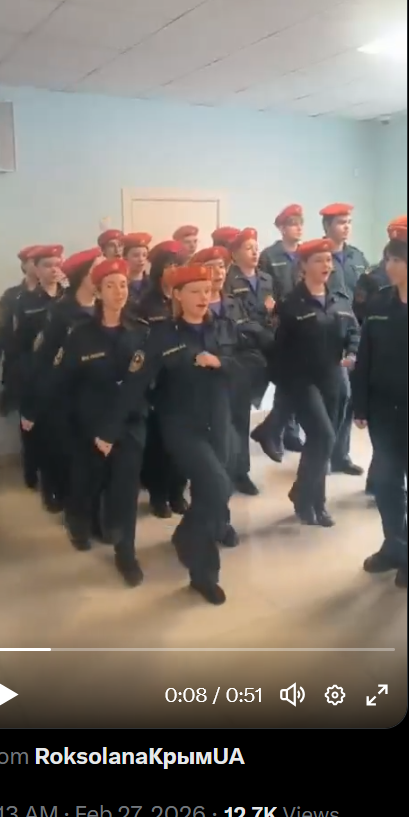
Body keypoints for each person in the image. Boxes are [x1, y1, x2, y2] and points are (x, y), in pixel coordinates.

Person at [106, 263, 240, 605]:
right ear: (177, 295)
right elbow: (134, 384)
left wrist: (221, 363)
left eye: (206, 290)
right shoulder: (161, 335)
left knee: (213, 493)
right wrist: (109, 428)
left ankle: (188, 543)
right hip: (180, 425)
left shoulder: (224, 326)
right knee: (218, 486)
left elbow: (251, 364)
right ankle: (204, 570)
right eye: (194, 291)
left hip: (219, 421)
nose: (203, 297)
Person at [50, 258, 150, 586]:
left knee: (125, 490)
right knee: (86, 481)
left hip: (129, 424)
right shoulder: (80, 335)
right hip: (89, 427)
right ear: (98, 291)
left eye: (123, 285)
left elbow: (143, 383)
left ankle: (126, 552)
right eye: (110, 285)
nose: (119, 291)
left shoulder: (141, 332)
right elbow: (64, 383)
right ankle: (77, 522)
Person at [272, 239, 360, 526]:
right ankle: (308, 498)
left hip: (332, 378)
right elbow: (279, 349)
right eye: (319, 260)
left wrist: (352, 352)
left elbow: (353, 332)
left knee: (320, 443)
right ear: (303, 265)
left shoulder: (339, 298)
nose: (326, 265)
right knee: (324, 437)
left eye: (329, 260)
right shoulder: (290, 304)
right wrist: (285, 388)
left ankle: (309, 499)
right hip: (302, 381)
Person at [21, 247, 102, 513]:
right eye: (96, 271)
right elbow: (42, 358)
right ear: (82, 276)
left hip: (95, 394)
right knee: (62, 452)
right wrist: (31, 405)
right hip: (64, 394)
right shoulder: (60, 312)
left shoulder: (104, 308)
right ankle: (57, 493)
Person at [192, 242, 275, 496]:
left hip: (235, 374)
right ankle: (214, 476)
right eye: (211, 267)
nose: (218, 272)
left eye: (221, 266)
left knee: (239, 422)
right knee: (214, 430)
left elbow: (248, 337)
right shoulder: (195, 306)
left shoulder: (233, 302)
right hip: (205, 380)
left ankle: (240, 472)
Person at [352, 237, 408, 588]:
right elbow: (365, 357)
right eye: (387, 259)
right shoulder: (378, 303)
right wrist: (360, 404)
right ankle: (394, 545)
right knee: (387, 482)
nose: (388, 266)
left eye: (396, 260)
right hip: (385, 408)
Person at [4, 246, 64, 491]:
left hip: (65, 374)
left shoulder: (69, 298)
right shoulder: (24, 302)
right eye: (47, 265)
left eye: (57, 264)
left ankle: (58, 481)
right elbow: (17, 345)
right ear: (36, 269)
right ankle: (33, 473)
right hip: (36, 373)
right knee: (35, 430)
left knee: (60, 431)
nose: (54, 270)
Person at [137, 240, 188, 517]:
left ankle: (177, 492)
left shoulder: (186, 296)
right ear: (158, 269)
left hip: (183, 379)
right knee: (158, 443)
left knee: (183, 440)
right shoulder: (145, 303)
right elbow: (140, 344)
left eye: (179, 264)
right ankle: (158, 496)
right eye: (169, 265)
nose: (174, 270)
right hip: (157, 382)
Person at [320, 203, 369, 476]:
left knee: (348, 400)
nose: (346, 226)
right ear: (327, 226)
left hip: (356, 334)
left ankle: (341, 455)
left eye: (348, 221)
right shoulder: (318, 256)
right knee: (329, 399)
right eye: (340, 222)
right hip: (329, 334)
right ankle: (322, 455)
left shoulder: (357, 257)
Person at [258, 204, 306, 453]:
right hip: (281, 325)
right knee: (287, 380)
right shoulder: (269, 255)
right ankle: (283, 431)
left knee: (299, 380)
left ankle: (289, 431)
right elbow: (265, 292)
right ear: (282, 228)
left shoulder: (306, 254)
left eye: (300, 223)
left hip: (304, 323)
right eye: (293, 223)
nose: (298, 228)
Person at [0, 245, 40, 414]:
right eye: (33, 261)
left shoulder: (55, 294)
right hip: (18, 369)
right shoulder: (11, 296)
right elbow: (0, 333)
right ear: (24, 265)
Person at [121, 232, 152, 305]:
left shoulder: (153, 283)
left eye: (144, 255)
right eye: (136, 255)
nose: (141, 259)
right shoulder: (121, 284)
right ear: (125, 258)